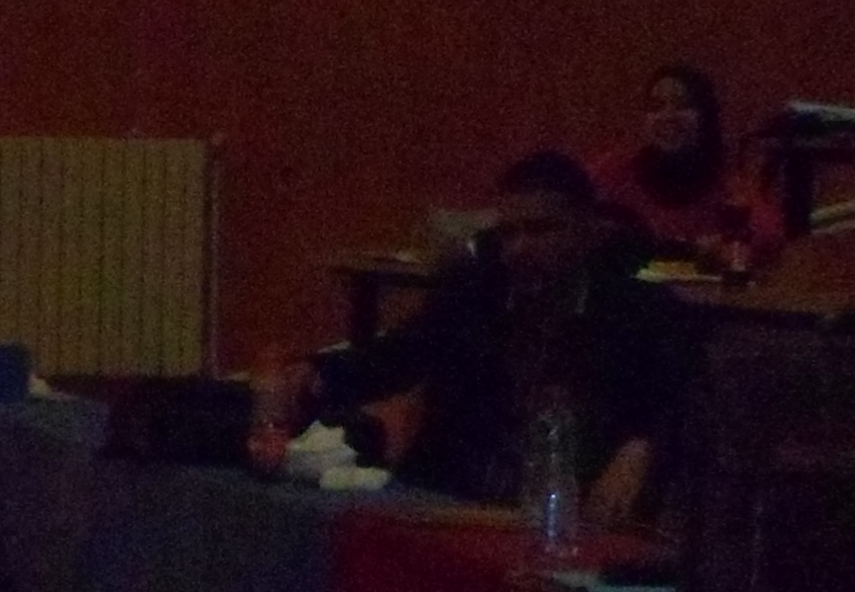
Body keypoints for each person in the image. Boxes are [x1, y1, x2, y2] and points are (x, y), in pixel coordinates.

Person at [285, 150, 692, 516]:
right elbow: (398, 355)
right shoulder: (475, 293)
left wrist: (642, 447)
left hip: (568, 515)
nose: (519, 248)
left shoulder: (635, 311)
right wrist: (314, 373)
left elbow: (681, 404)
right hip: (456, 500)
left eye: (540, 230)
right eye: (509, 233)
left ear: (587, 231)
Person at [588, 62, 776, 269]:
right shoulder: (617, 171)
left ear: (706, 115)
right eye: (656, 107)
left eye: (683, 105)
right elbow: (575, 216)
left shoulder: (727, 177)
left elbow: (768, 235)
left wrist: (724, 248)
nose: (668, 116)